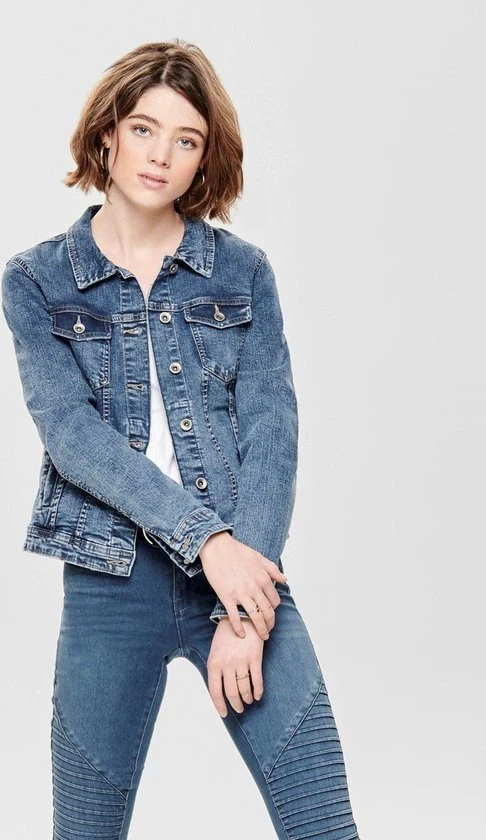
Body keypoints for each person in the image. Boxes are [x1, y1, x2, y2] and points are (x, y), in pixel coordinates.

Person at [1, 39, 361, 840]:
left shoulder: (243, 273)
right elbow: (72, 435)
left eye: (186, 139)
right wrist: (207, 543)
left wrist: (247, 607)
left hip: (243, 577)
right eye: (144, 129)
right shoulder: (35, 281)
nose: (161, 155)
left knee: (324, 826)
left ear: (204, 159)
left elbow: (272, 430)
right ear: (107, 136)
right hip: (109, 582)